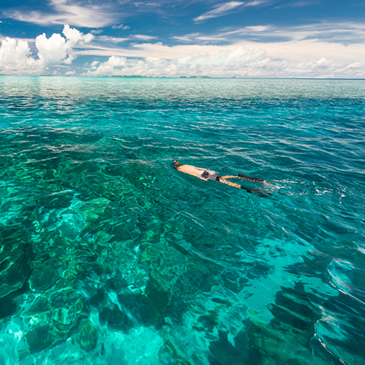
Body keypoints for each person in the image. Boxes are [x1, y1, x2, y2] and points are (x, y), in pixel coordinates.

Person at [172, 160, 271, 196]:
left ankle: (245, 188)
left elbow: (192, 173)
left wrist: (200, 178)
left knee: (224, 182)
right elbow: (196, 168)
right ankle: (237, 176)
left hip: (202, 175)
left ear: (175, 166)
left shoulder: (180, 170)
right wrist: (208, 171)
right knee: (219, 177)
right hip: (204, 172)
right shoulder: (185, 164)